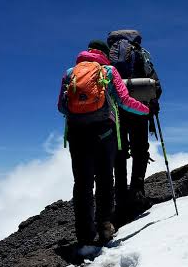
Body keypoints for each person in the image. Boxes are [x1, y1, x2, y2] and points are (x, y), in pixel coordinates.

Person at [58, 39, 149, 248]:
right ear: (105, 54)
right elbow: (125, 101)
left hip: (77, 134)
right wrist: (145, 109)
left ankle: (84, 235)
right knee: (106, 179)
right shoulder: (108, 71)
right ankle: (105, 227)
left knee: (82, 183)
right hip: (104, 133)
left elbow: (61, 107)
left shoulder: (70, 72)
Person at [106, 29, 162, 224]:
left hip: (116, 113)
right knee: (140, 150)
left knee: (119, 152)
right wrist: (150, 105)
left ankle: (120, 199)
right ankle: (137, 193)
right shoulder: (141, 54)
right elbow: (156, 85)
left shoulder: (108, 58)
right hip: (139, 111)